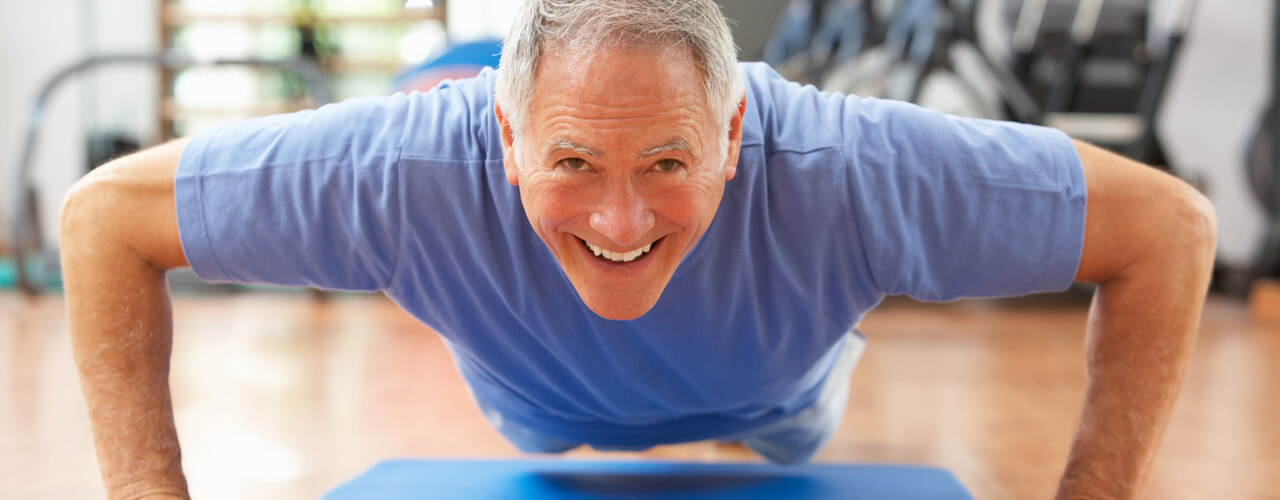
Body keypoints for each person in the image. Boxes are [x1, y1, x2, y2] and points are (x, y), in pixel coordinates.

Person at [58, 0, 1216, 499]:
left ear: (735, 130)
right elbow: (105, 219)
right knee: (554, 418)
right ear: (505, 136)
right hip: (535, 405)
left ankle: (740, 393)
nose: (620, 221)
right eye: (571, 165)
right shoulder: (397, 171)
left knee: (781, 415)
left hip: (775, 395)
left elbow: (1166, 228)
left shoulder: (855, 169)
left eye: (667, 163)